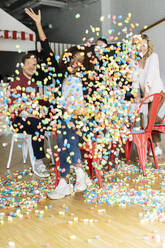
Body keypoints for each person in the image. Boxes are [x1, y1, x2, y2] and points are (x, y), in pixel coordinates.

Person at [25, 8, 92, 199]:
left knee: (66, 132)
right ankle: (73, 177)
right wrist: (38, 24)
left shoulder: (86, 79)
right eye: (73, 59)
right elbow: (46, 47)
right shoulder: (61, 74)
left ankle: (69, 179)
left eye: (80, 61)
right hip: (66, 118)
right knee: (63, 138)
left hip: (82, 121)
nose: (76, 63)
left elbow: (89, 105)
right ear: (67, 59)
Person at [8, 53, 50, 177]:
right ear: (23, 66)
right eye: (29, 64)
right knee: (38, 124)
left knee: (50, 120)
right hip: (18, 121)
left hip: (32, 118)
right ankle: (38, 163)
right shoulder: (16, 82)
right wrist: (33, 115)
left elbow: (37, 103)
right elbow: (15, 109)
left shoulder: (33, 84)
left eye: (34, 64)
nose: (32, 66)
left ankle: (63, 158)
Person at [132, 33, 165, 156]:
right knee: (150, 118)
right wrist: (136, 97)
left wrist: (146, 95)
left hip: (157, 93)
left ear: (148, 45)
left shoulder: (153, 57)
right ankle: (160, 123)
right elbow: (135, 82)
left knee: (151, 116)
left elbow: (149, 78)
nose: (141, 47)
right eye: (139, 45)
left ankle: (157, 147)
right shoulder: (135, 62)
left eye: (144, 44)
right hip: (148, 96)